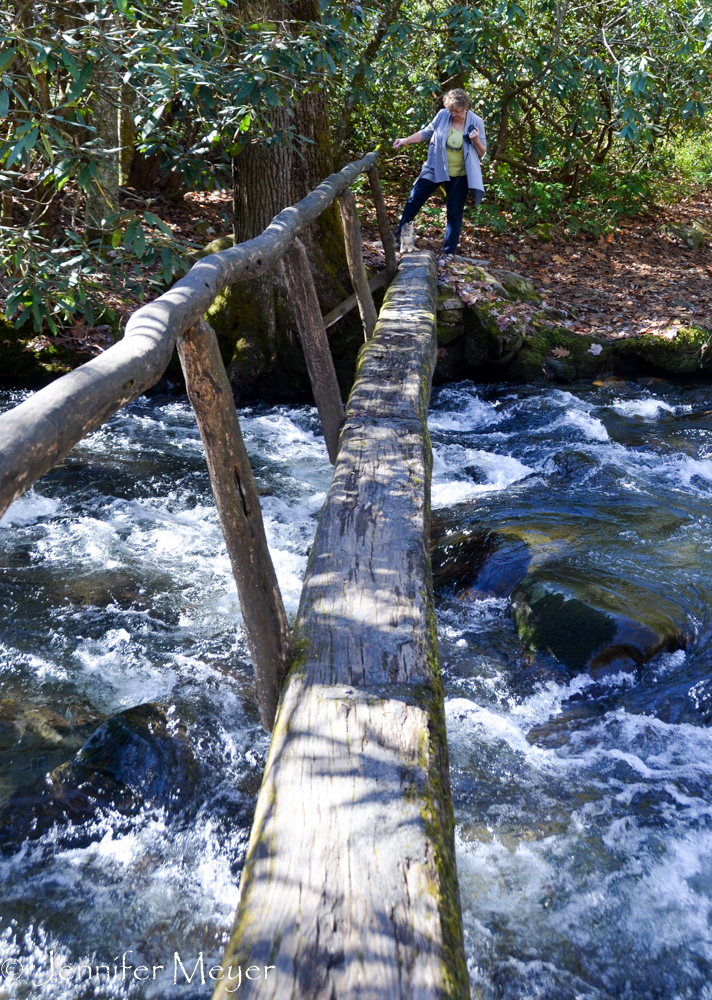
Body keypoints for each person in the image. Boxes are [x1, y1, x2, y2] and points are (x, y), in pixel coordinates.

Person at [392, 89, 486, 264]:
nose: (453, 114)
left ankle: (448, 253)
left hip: (460, 174)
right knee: (414, 199)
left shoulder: (476, 121)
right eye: (451, 110)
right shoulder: (443, 115)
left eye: (457, 111)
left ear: (465, 107)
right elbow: (427, 132)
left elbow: (482, 152)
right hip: (435, 167)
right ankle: (401, 239)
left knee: (454, 213)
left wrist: (476, 140)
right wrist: (406, 140)